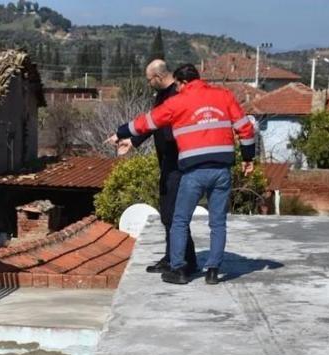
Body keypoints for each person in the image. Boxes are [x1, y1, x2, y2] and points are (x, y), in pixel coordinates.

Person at [109, 63, 256, 285]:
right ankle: (214, 271)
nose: (176, 88)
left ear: (183, 82)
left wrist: (121, 131)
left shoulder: (178, 101)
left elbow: (147, 122)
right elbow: (246, 128)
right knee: (217, 222)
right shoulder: (224, 96)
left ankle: (178, 269)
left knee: (179, 220)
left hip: (194, 171)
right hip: (222, 170)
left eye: (177, 85)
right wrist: (248, 157)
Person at [127, 60, 197, 275]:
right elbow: (152, 122)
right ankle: (173, 256)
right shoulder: (162, 96)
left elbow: (167, 125)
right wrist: (132, 141)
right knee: (168, 214)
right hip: (167, 162)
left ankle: (185, 260)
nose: (149, 84)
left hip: (178, 162)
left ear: (158, 77)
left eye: (149, 80)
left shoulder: (175, 95)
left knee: (174, 215)